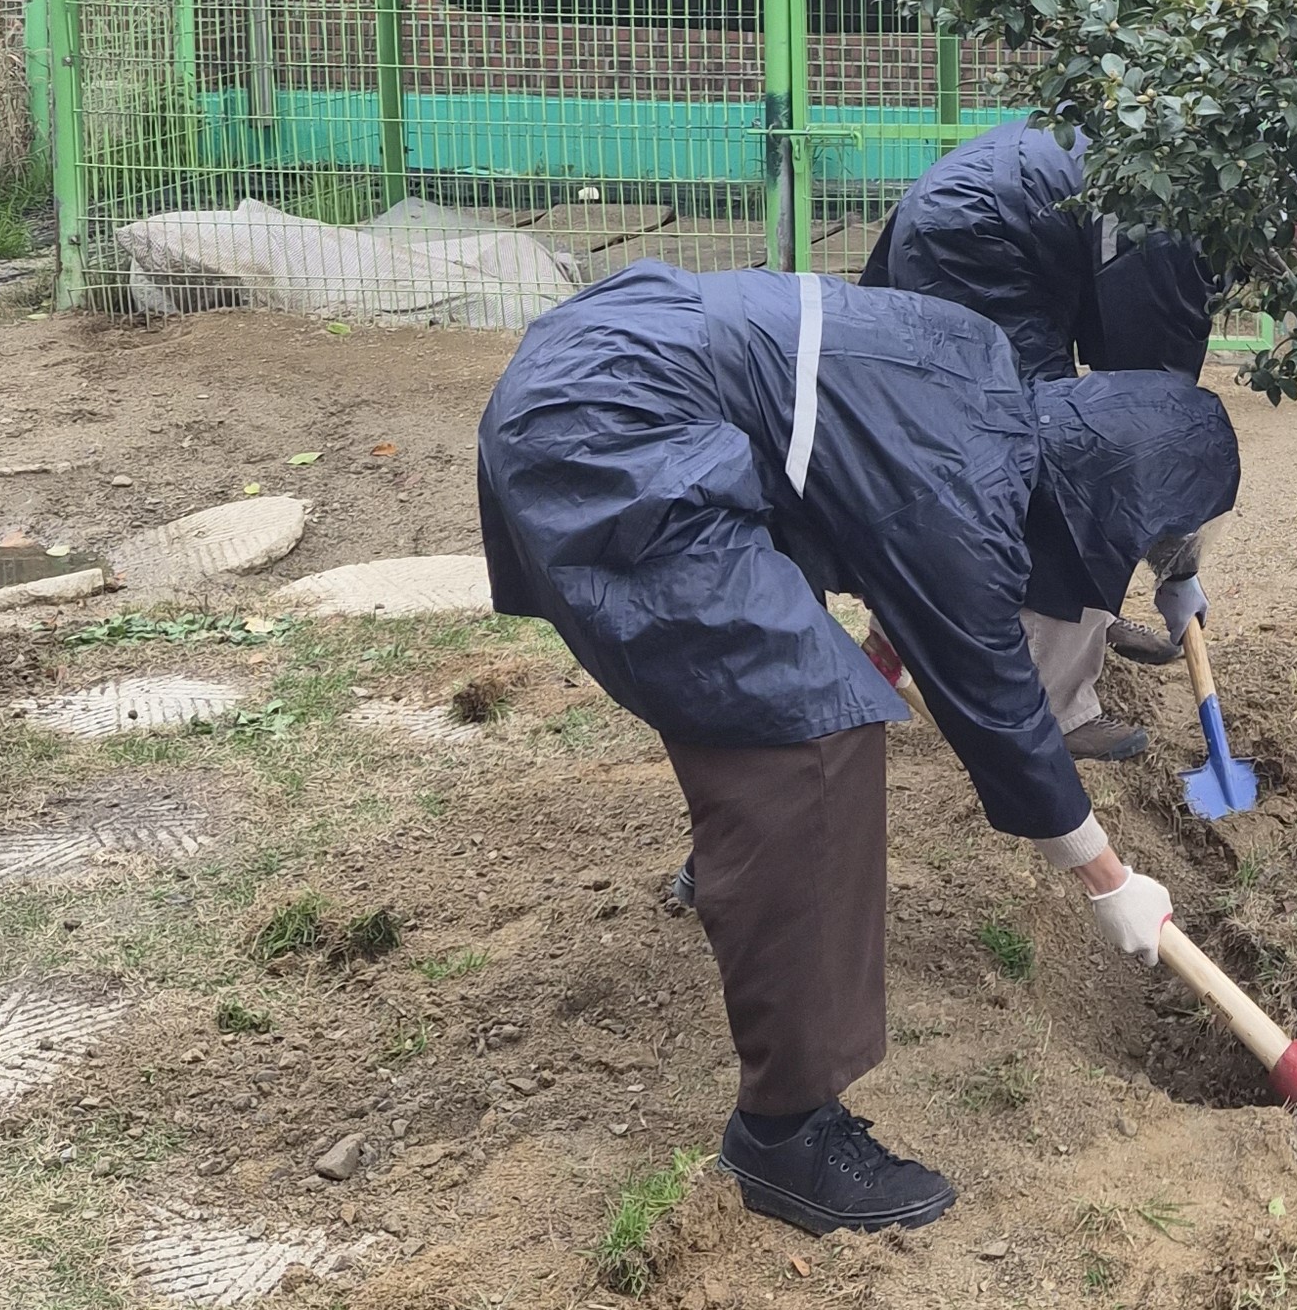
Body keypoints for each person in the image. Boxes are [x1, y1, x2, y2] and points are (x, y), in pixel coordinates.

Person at [478, 261, 1238, 1234]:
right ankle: (785, 1135)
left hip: (609, 356)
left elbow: (895, 534)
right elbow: (998, 711)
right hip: (614, 425)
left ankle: (737, 871)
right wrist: (1108, 882)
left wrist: (1178, 569)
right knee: (811, 729)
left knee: (770, 668)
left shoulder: (983, 385)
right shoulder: (958, 499)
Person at [860, 122, 1221, 761]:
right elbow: (1144, 418)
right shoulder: (1176, 217)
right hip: (982, 243)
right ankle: (1056, 706)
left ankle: (1074, 622)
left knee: (1011, 453)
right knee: (1060, 466)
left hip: (970, 216)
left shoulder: (1197, 177)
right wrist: (1178, 565)